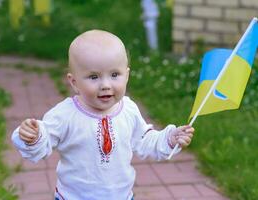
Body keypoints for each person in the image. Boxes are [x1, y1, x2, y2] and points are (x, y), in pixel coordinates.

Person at [11, 30, 194, 200]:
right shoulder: (65, 114)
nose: (105, 85)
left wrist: (169, 138)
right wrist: (33, 136)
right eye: (93, 77)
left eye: (115, 74)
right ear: (74, 82)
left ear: (127, 75)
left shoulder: (128, 110)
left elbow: (144, 140)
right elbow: (45, 139)